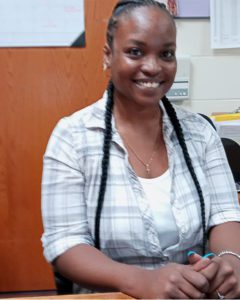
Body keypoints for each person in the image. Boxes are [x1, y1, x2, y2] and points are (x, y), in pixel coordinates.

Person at [41, 0, 240, 298]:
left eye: (166, 54)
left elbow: (224, 215)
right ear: (108, 56)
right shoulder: (72, 137)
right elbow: (65, 243)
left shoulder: (201, 132)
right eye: (135, 51)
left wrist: (229, 261)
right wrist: (142, 282)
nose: (152, 66)